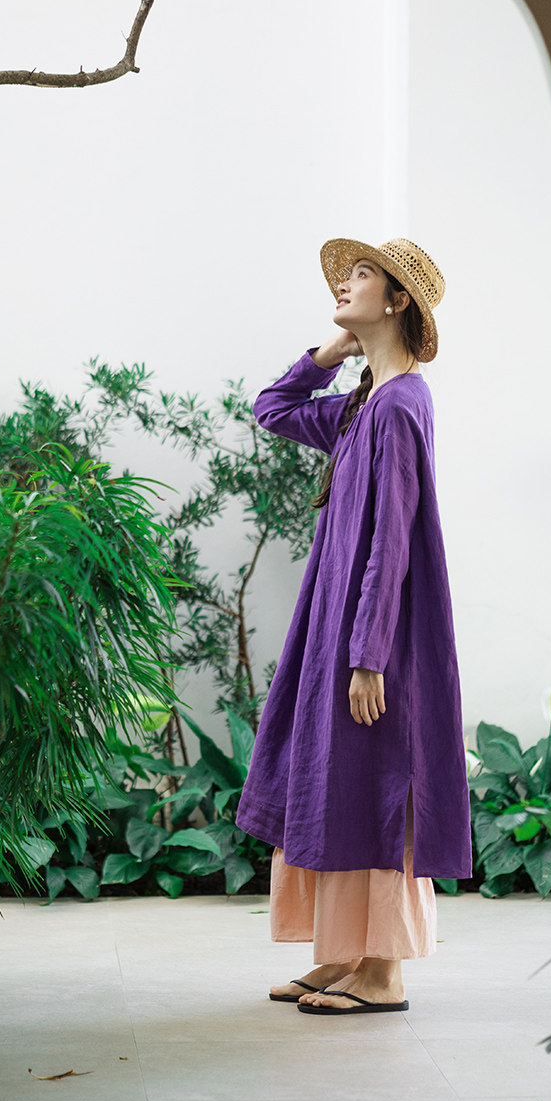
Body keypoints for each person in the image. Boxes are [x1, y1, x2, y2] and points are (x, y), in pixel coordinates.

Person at [234, 237, 472, 1015]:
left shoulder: (401, 406)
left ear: (398, 300)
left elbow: (391, 540)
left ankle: (383, 971)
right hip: (337, 620)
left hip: (376, 635)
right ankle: (341, 954)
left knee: (376, 782)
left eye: (362, 274)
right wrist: (329, 353)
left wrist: (368, 655)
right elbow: (271, 410)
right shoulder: (363, 404)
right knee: (337, 778)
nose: (344, 282)